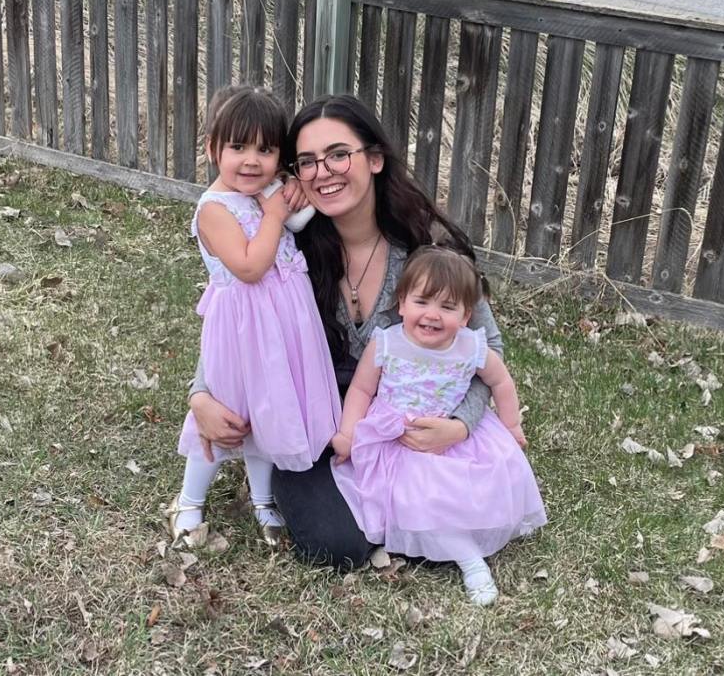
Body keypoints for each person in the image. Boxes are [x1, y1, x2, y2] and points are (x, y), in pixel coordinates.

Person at [187, 94, 505, 568]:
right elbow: (241, 320)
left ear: (374, 159)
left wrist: (460, 423)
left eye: (338, 154)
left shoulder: (427, 251)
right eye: (307, 161)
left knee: (448, 529)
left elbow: (488, 347)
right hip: (319, 417)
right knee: (336, 544)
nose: (323, 172)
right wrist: (202, 395)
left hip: (408, 418)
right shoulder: (287, 243)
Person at [170, 86, 341, 546]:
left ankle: (263, 498)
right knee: (229, 413)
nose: (251, 161)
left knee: (271, 408)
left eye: (265, 150)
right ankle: (190, 499)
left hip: (284, 324)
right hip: (241, 328)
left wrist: (296, 189)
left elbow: (300, 219)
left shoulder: (266, 193)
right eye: (238, 147)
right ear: (213, 149)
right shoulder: (214, 209)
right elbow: (249, 267)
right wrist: (274, 214)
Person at [330, 246, 546, 605]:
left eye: (447, 307)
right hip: (397, 438)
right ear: (402, 303)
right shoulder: (386, 342)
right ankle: (461, 553)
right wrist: (348, 433)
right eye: (422, 302)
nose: (432, 315)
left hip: (452, 435)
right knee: (413, 495)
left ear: (466, 316)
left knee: (458, 493)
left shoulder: (471, 347)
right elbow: (362, 389)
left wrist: (511, 426)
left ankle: (469, 555)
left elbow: (501, 381)